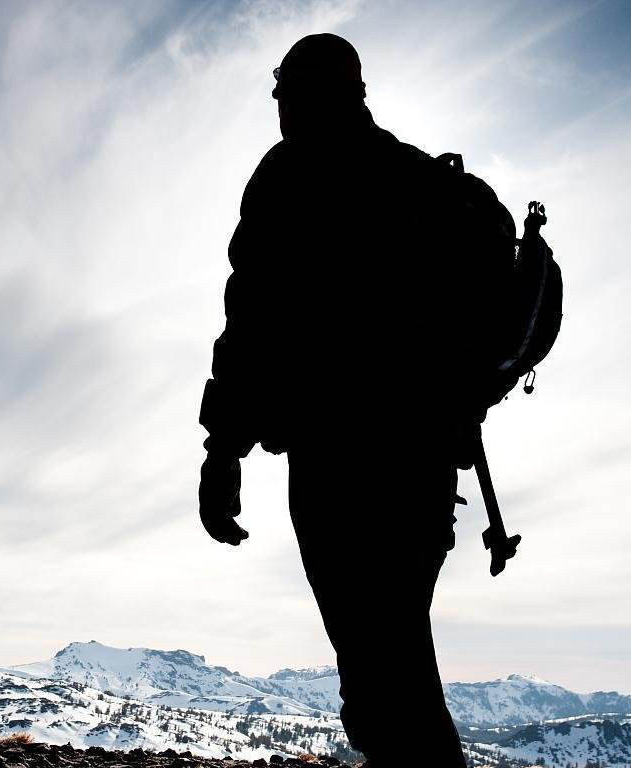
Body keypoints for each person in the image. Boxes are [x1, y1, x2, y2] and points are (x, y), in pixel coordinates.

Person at [197, 33, 478, 767]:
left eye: (286, 93)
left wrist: (222, 451)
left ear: (309, 93)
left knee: (383, 670)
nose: (281, 108)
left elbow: (250, 323)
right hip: (422, 464)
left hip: (338, 465)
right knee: (390, 660)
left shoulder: (288, 179)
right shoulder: (418, 179)